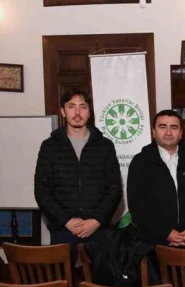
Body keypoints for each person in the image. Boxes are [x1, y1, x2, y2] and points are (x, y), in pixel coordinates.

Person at [34, 88, 122, 265]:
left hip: (98, 230)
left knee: (100, 281)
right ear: (63, 111)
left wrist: (96, 220)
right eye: (71, 106)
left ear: (89, 112)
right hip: (62, 230)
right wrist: (66, 221)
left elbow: (114, 189)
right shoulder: (49, 146)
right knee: (63, 281)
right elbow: (42, 191)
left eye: (82, 107)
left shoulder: (105, 146)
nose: (77, 112)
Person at [127, 109, 185, 248]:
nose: (168, 132)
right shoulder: (141, 162)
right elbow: (137, 205)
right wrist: (165, 233)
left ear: (181, 133)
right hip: (154, 243)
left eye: (174, 127)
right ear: (154, 132)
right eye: (162, 126)